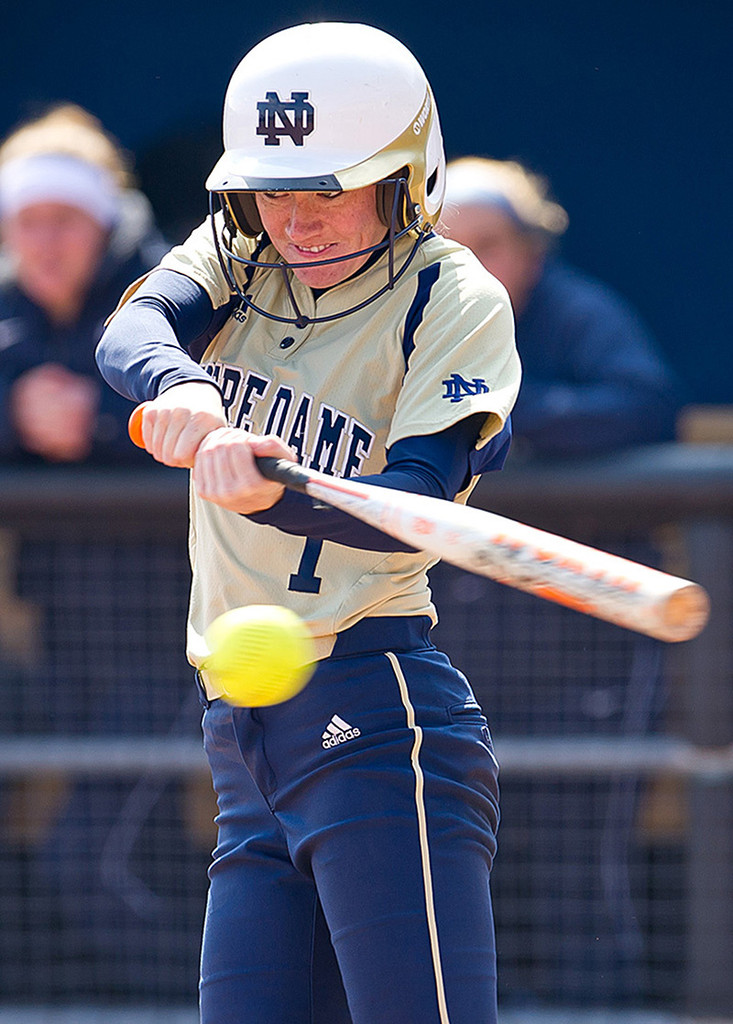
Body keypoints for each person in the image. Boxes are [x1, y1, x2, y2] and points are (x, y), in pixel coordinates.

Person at [96, 21, 520, 1024]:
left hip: (375, 716)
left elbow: (419, 504)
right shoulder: (238, 255)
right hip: (242, 739)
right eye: (275, 189)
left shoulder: (451, 295)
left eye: (331, 188)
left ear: (405, 176)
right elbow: (133, 329)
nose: (298, 219)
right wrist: (184, 390)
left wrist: (274, 490)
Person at [440, 157, 682, 459]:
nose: (467, 264)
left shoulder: (577, 313)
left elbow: (648, 407)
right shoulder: (407, 315)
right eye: (447, 248)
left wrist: (498, 410)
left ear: (532, 252)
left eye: (487, 246)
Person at [0, 103, 168, 464]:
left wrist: (103, 417)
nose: (46, 243)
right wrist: (12, 410)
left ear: (105, 227)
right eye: (28, 221)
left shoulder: (170, 294)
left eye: (65, 219)